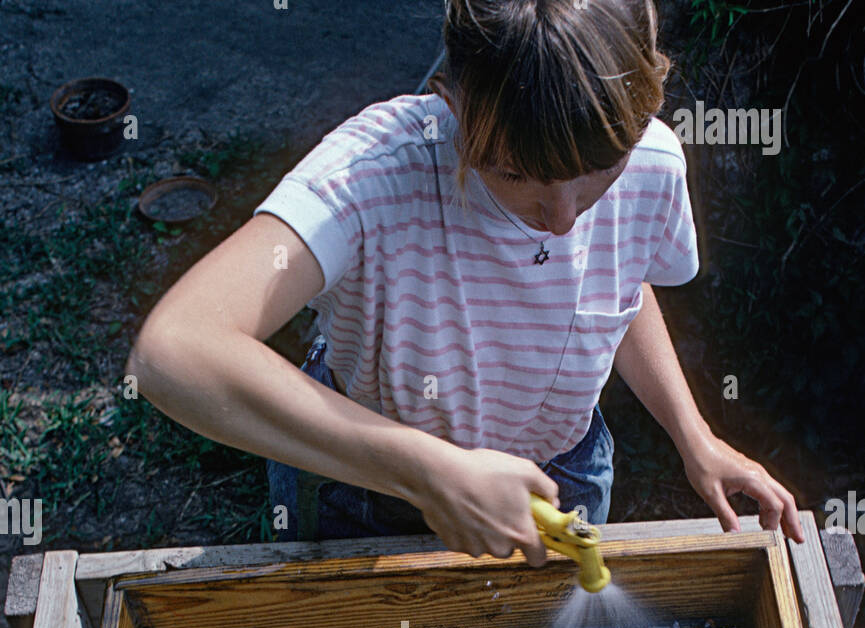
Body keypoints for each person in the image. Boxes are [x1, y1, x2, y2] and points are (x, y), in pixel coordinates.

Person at [127, 0, 803, 557]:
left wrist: (693, 436)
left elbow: (617, 293)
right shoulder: (373, 174)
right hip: (370, 492)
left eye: (599, 172)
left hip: (559, 473)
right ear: (451, 103)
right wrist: (425, 471)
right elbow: (175, 352)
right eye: (513, 174)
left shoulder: (650, 160)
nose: (563, 220)